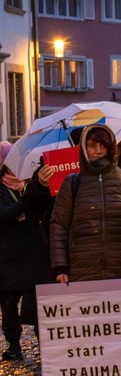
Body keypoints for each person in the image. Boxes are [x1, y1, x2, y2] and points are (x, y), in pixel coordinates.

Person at [50, 124, 121, 284]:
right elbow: (58, 227)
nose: (97, 150)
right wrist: (60, 267)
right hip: (80, 270)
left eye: (103, 145)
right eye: (91, 146)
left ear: (111, 149)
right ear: (83, 148)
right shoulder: (72, 182)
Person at [0, 142, 45, 360]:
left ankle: (42, 340)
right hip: (7, 256)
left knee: (35, 301)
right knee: (9, 303)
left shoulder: (28, 185)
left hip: (31, 254)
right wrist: (24, 203)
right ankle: (13, 344)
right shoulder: (1, 189)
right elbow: (3, 216)